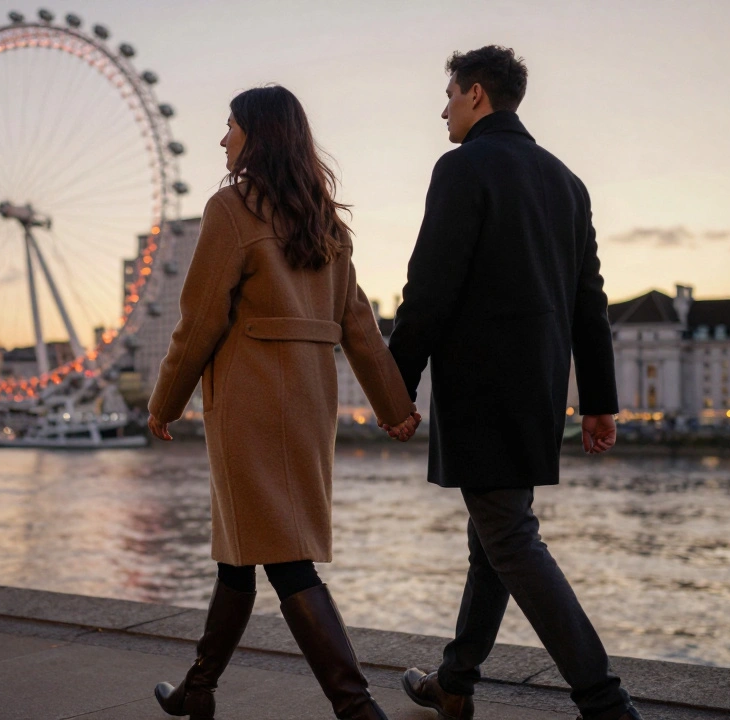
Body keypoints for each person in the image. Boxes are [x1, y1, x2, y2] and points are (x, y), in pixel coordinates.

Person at [383, 46, 644, 720]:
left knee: (511, 540)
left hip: (481, 387)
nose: (442, 110)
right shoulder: (567, 181)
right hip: (537, 391)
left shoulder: (462, 167)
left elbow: (429, 290)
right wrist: (599, 401)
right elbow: (590, 300)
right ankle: (456, 682)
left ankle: (604, 700)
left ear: (475, 94)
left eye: (448, 96)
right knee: (491, 540)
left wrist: (396, 385)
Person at [147, 85, 419, 720]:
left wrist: (165, 402)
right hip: (307, 402)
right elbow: (359, 325)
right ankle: (199, 689)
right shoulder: (326, 221)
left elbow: (199, 319)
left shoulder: (231, 210)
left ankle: (357, 710)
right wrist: (393, 406)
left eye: (230, 126)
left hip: (247, 400)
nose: (222, 139)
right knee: (239, 552)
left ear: (257, 134)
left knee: (286, 561)